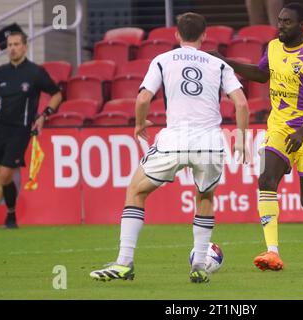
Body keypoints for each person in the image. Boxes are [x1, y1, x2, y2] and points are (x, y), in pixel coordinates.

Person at [90, 12, 249, 283]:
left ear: (176, 35)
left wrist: (140, 124)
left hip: (174, 139)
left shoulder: (163, 60)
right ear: (204, 36)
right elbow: (242, 103)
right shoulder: (218, 64)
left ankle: (124, 263)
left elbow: (143, 98)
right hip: (209, 143)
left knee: (136, 190)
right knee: (205, 198)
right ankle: (199, 265)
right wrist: (242, 138)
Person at [213, 3, 303, 271]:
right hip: (279, 127)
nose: (281, 25)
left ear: (302, 26)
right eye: (280, 20)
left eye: (287, 22)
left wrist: (302, 132)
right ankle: (272, 252)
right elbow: (263, 74)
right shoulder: (274, 47)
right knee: (266, 179)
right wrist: (228, 62)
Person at [0, 31, 62, 229]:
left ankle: (11, 213)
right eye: (9, 45)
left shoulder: (35, 72)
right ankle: (9, 214)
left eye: (16, 44)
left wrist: (43, 115)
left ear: (25, 46)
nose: (13, 48)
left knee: (6, 175)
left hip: (20, 130)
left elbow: (56, 94)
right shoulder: (1, 72)